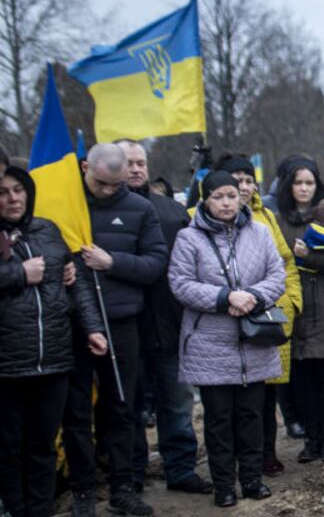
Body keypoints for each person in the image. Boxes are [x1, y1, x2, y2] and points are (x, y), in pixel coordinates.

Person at [169, 170, 285, 508]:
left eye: (231, 196)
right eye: (218, 196)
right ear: (205, 199)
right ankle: (224, 485)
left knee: (252, 416)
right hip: (210, 342)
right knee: (219, 419)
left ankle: (252, 479)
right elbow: (180, 283)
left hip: (254, 341)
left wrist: (251, 296)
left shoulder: (260, 233)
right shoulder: (188, 238)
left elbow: (276, 274)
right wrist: (225, 297)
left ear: (240, 197)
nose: (226, 202)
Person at [65, 143, 168, 517]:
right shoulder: (66, 203)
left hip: (121, 320)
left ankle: (123, 486)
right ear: (84, 167)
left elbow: (156, 263)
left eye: (116, 185)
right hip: (72, 322)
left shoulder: (140, 208)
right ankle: (82, 489)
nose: (109, 191)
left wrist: (112, 262)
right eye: (102, 184)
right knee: (75, 410)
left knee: (121, 406)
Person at [1, 165, 108, 517]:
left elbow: (75, 285)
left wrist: (92, 328)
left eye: (19, 190)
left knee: (43, 446)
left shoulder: (47, 229)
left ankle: (41, 510)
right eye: (4, 192)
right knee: (9, 449)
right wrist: (19, 273)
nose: (13, 198)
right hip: (9, 365)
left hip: (55, 359)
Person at [115, 140, 211, 496]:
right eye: (129, 162)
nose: (137, 169)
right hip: (125, 327)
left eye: (141, 162)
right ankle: (132, 472)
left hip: (170, 325)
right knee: (129, 405)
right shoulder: (100, 213)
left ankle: (181, 468)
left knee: (177, 401)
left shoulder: (172, 212)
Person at [213, 153, 303, 476]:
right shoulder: (200, 218)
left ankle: (266, 454)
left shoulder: (266, 217)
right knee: (229, 399)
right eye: (237, 180)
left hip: (265, 317)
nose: (245, 186)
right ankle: (232, 463)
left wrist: (291, 302)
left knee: (264, 395)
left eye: (249, 180)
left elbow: (285, 262)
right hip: (223, 321)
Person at [273, 157, 324, 464]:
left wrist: (311, 257)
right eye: (298, 183)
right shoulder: (277, 217)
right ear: (288, 186)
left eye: (309, 182)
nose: (304, 188)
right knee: (302, 381)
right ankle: (310, 439)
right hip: (294, 306)